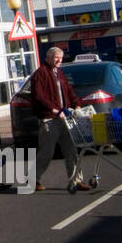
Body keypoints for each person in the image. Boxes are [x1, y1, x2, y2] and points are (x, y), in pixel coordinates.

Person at [29, 47, 90, 192]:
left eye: (61, 58)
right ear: (48, 58)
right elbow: (39, 96)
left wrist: (76, 105)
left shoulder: (59, 73)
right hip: (49, 119)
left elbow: (68, 91)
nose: (59, 60)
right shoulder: (40, 74)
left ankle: (76, 180)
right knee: (47, 151)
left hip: (65, 118)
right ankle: (33, 179)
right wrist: (54, 110)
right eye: (56, 57)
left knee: (71, 150)